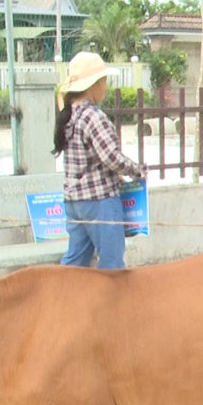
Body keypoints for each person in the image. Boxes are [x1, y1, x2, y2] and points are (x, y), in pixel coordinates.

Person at [53, 51, 146, 270]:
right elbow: (111, 157)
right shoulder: (93, 116)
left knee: (75, 262)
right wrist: (137, 170)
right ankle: (110, 296)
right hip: (99, 201)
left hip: (74, 201)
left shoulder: (68, 115)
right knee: (112, 264)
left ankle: (58, 290)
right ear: (94, 85)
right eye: (104, 81)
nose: (105, 86)